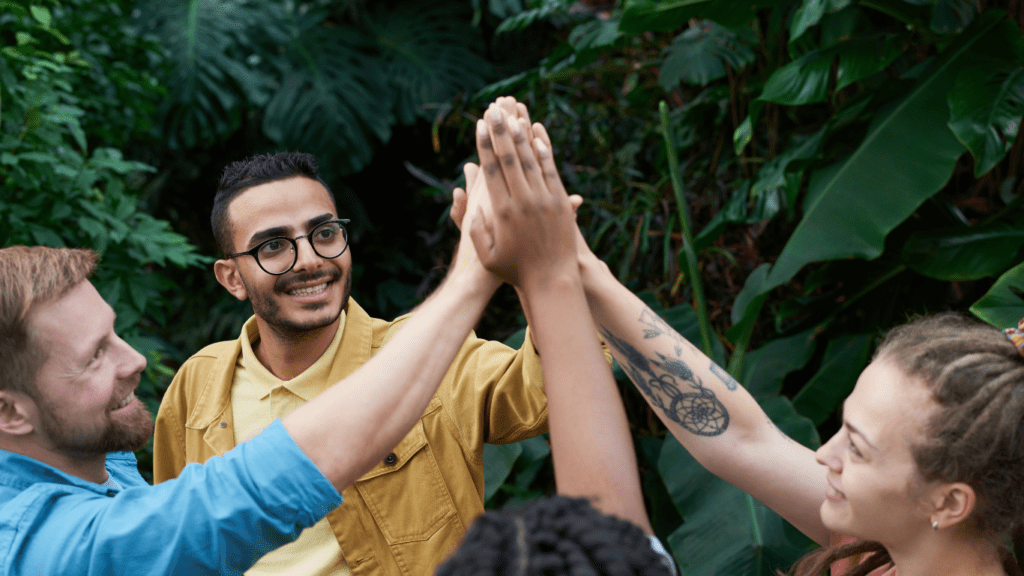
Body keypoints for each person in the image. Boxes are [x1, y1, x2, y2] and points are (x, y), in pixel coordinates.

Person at [475, 100, 1024, 576]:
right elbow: (741, 438)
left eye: (857, 448)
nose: (824, 455)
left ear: (950, 501)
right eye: (842, 430)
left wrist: (551, 282)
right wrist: (578, 263)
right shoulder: (890, 545)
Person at [0, 191, 513, 576]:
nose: (135, 360)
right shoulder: (45, 545)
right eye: (93, 357)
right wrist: (474, 273)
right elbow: (237, 499)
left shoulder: (91, 454)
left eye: (114, 333)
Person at [152, 150, 552, 576]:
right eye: (273, 245)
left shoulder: (429, 356)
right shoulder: (198, 385)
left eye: (324, 233)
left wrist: (536, 267)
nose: (309, 260)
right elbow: (176, 544)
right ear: (232, 278)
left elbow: (553, 393)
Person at [437, 101, 673, 576]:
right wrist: (552, 261)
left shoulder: (443, 363)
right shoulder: (611, 557)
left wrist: (513, 270)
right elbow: (743, 441)